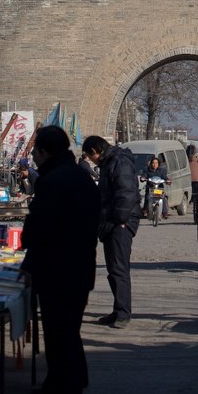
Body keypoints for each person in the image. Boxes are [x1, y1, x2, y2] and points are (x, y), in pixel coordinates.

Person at [20, 126, 99, 394]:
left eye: (35, 152)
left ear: (43, 152)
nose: (34, 157)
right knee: (68, 330)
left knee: (59, 333)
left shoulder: (52, 181)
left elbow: (39, 229)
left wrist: (29, 260)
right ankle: (66, 382)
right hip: (80, 267)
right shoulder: (82, 177)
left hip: (57, 269)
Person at [82, 135, 140, 329]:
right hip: (110, 222)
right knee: (113, 269)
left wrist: (120, 219)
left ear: (95, 152)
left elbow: (126, 192)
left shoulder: (119, 161)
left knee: (119, 268)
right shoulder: (110, 161)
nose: (92, 161)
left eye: (90, 157)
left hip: (119, 223)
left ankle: (124, 313)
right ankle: (118, 309)